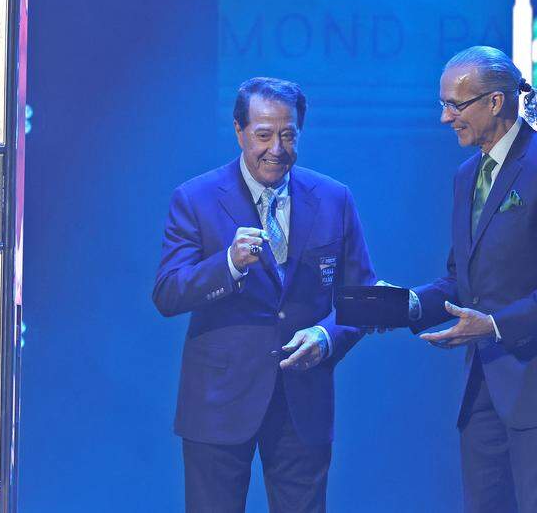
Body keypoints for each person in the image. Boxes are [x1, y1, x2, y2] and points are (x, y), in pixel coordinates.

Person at [403, 46, 537, 512]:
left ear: (495, 102)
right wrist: (408, 304)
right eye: (443, 105)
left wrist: (495, 324)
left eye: (454, 106)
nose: (445, 118)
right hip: (484, 384)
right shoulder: (466, 176)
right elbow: (460, 278)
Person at [153, 77, 377, 512]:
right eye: (263, 135)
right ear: (239, 131)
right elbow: (167, 292)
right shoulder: (195, 198)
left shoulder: (334, 198)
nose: (276, 147)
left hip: (302, 401)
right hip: (218, 402)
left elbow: (362, 295)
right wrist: (229, 264)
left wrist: (327, 336)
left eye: (288, 134)